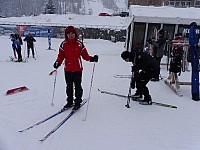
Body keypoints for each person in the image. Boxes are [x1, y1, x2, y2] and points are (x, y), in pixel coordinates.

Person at [53, 26, 98, 110]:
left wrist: (92, 58)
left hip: (78, 69)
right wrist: (58, 62)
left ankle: (78, 101)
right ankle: (69, 101)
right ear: (66, 34)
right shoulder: (63, 44)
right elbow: (61, 55)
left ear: (75, 34)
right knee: (69, 86)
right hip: (68, 69)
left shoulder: (79, 44)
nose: (71, 35)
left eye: (72, 33)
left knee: (78, 86)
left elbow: (85, 56)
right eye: (69, 33)